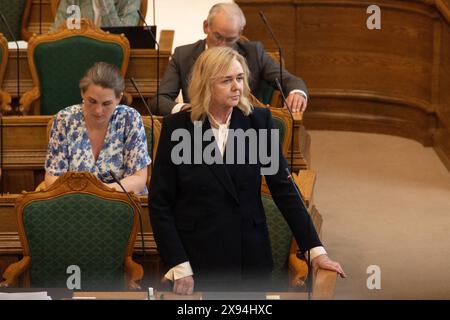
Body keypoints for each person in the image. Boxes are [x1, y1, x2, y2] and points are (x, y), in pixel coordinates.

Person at [149, 47, 346, 294]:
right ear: (206, 84)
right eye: (227, 80)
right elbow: (160, 203)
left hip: (248, 258)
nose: (237, 87)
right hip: (196, 260)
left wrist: (316, 251)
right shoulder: (177, 127)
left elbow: (285, 191)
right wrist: (178, 263)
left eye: (240, 78)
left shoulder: (257, 122)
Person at [149, 2, 308, 116]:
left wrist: (297, 93)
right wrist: (187, 109)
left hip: (244, 130)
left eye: (230, 39)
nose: (222, 45)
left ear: (239, 34)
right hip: (199, 130)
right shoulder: (183, 55)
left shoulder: (254, 53)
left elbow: (290, 81)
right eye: (217, 36)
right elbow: (159, 100)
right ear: (206, 27)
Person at [45, 61, 150, 194]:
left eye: (107, 103)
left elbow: (138, 179)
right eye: (92, 101)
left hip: (122, 204)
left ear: (119, 98)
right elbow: (52, 178)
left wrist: (99, 194)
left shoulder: (130, 119)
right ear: (82, 93)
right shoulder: (64, 120)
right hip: (76, 205)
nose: (98, 111)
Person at [52, 0, 141, 30]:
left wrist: (104, 3)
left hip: (114, 66)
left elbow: (124, 37)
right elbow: (55, 34)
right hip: (78, 58)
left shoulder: (130, 1)